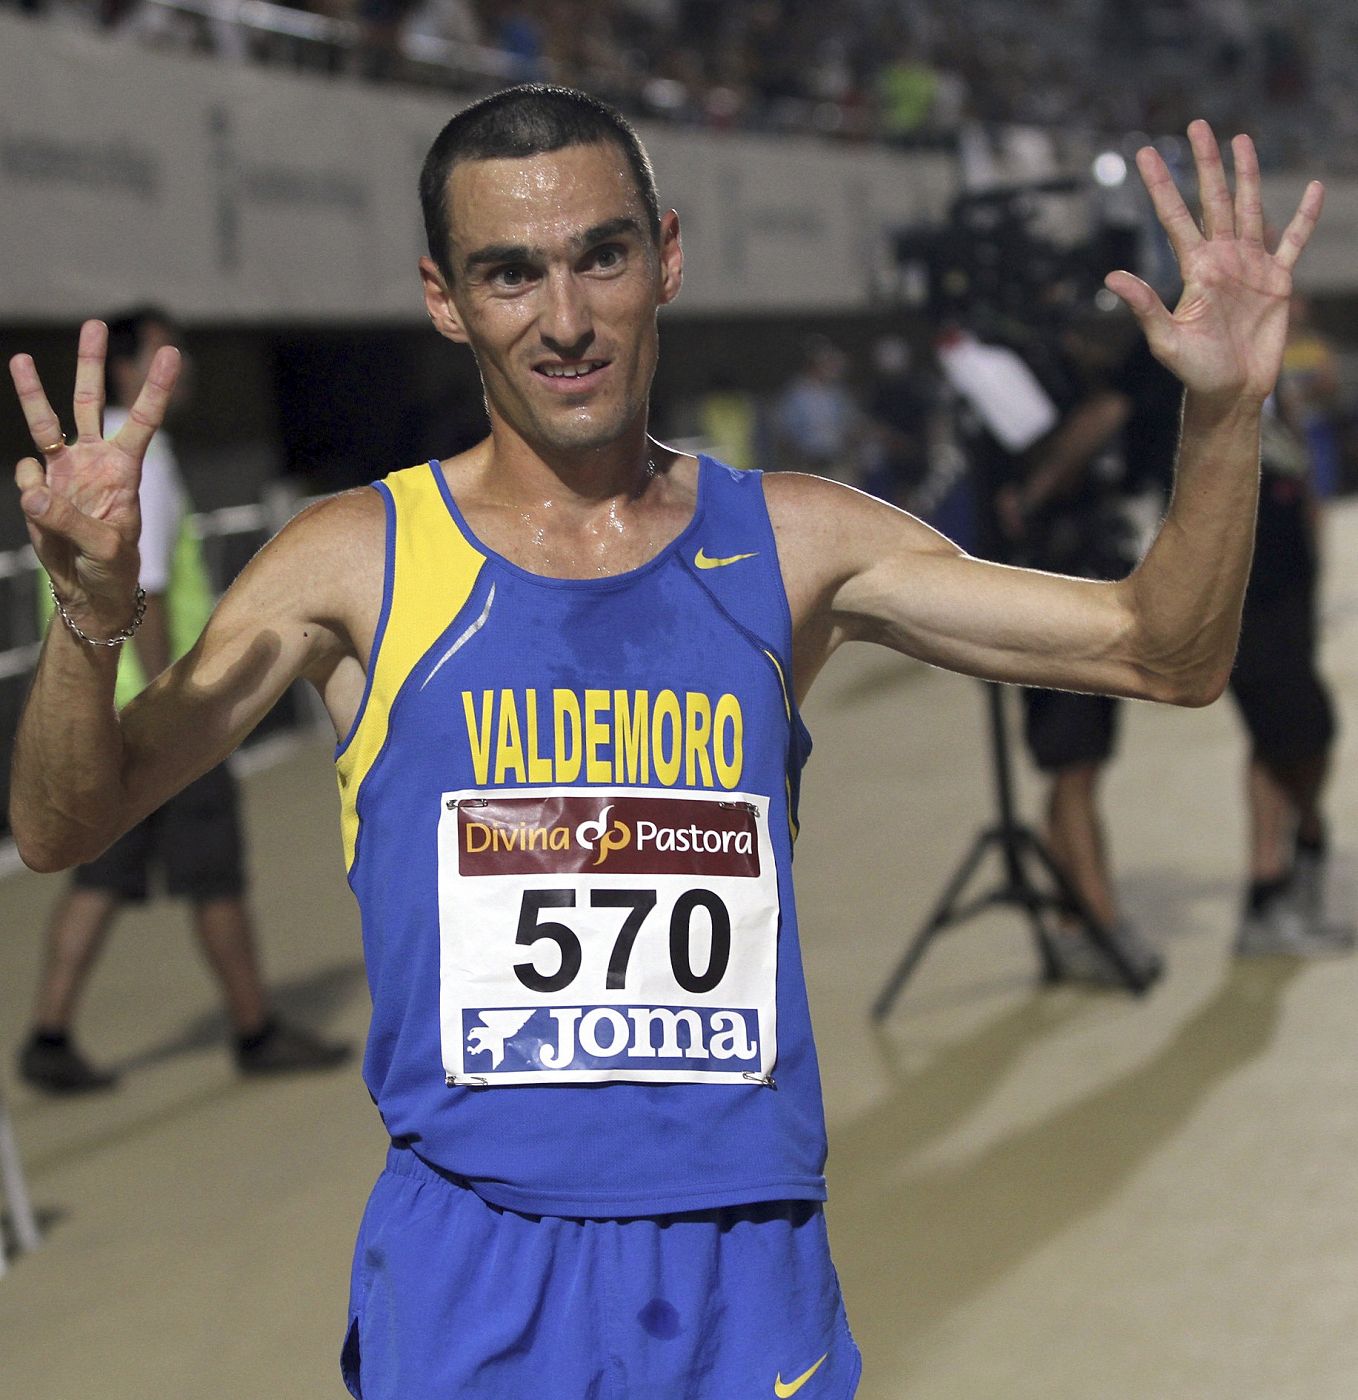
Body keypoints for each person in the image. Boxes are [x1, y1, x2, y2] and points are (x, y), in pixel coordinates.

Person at [6, 87, 1322, 1398]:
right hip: (476, 1277)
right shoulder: (355, 562)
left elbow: (1163, 648)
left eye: (601, 256)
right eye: (509, 273)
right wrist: (86, 613)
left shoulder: (797, 541)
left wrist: (1217, 418)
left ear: (666, 256)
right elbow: (67, 823)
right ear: (443, 297)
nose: (564, 320)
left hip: (741, 1279)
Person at [15, 308, 350, 1094]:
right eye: (167, 352)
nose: (186, 365)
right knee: (215, 875)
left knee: (98, 874)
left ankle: (50, 1032)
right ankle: (254, 1028)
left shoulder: (100, 463)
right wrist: (181, 709)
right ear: (129, 369)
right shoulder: (139, 461)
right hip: (155, 707)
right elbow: (151, 592)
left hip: (101, 707)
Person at [997, 308, 1182, 984]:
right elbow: (1081, 436)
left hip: (1086, 578)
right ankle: (1100, 925)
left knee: (1079, 769)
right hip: (1049, 591)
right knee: (1073, 768)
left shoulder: (1086, 390)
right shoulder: (1040, 391)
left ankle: (1078, 919)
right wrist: (1042, 486)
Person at [1229, 400, 1353, 956]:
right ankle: (1276, 886)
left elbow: (1299, 479)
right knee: (1302, 732)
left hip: (1289, 593)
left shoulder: (1273, 383)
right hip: (1243, 601)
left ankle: (1285, 878)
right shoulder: (1189, 379)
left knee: (1284, 739)